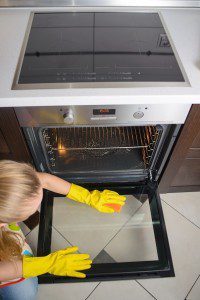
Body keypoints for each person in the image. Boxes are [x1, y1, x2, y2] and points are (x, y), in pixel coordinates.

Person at [0, 160, 126, 300]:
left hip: (8, 233)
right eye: (32, 211)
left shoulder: (7, 181)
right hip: (4, 270)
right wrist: (47, 265)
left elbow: (45, 180)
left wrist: (87, 197)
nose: (37, 209)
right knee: (25, 294)